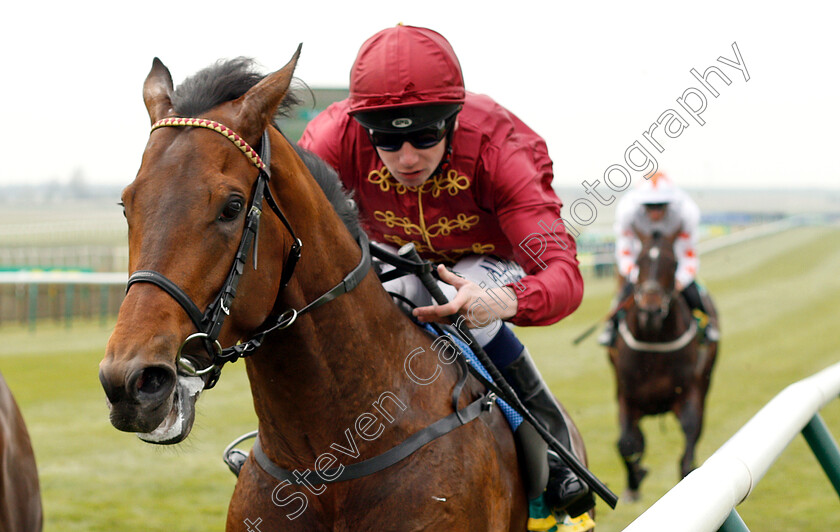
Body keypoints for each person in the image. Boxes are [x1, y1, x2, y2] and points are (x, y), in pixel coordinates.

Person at [299, 24, 592, 517]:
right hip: (392, 247)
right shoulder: (329, 139)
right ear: (362, 129)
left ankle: (553, 445)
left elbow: (564, 275)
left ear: (453, 119)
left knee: (462, 296)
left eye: (425, 136)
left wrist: (504, 302)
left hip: (486, 258)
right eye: (387, 144)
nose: (407, 158)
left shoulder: (502, 149)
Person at [598, 171, 720, 346]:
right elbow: (625, 251)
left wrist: (680, 280)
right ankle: (611, 326)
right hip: (643, 258)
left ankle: (708, 323)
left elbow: (689, 256)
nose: (655, 212)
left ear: (669, 203)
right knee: (624, 292)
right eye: (649, 206)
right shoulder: (627, 211)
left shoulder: (686, 213)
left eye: (660, 206)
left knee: (693, 290)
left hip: (673, 255)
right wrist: (636, 276)